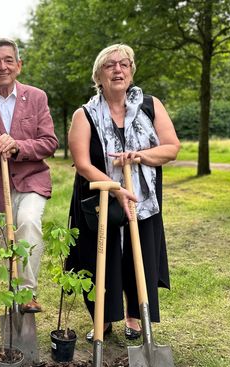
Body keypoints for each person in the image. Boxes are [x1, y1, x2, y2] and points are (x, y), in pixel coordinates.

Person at [66, 43, 180, 342]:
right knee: (99, 257)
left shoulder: (150, 106)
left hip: (142, 197)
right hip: (100, 197)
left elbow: (171, 148)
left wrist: (139, 156)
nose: (118, 69)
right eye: (110, 65)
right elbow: (81, 163)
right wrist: (115, 189)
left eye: (124, 64)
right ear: (98, 76)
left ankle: (134, 316)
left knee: (138, 254)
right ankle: (102, 319)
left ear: (131, 71)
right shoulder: (85, 114)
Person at [0, 38, 59, 313]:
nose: (2, 66)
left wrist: (18, 145)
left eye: (8, 60)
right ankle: (14, 292)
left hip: (32, 179)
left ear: (19, 65)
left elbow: (49, 142)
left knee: (27, 223)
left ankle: (27, 293)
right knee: (7, 241)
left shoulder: (37, 97)